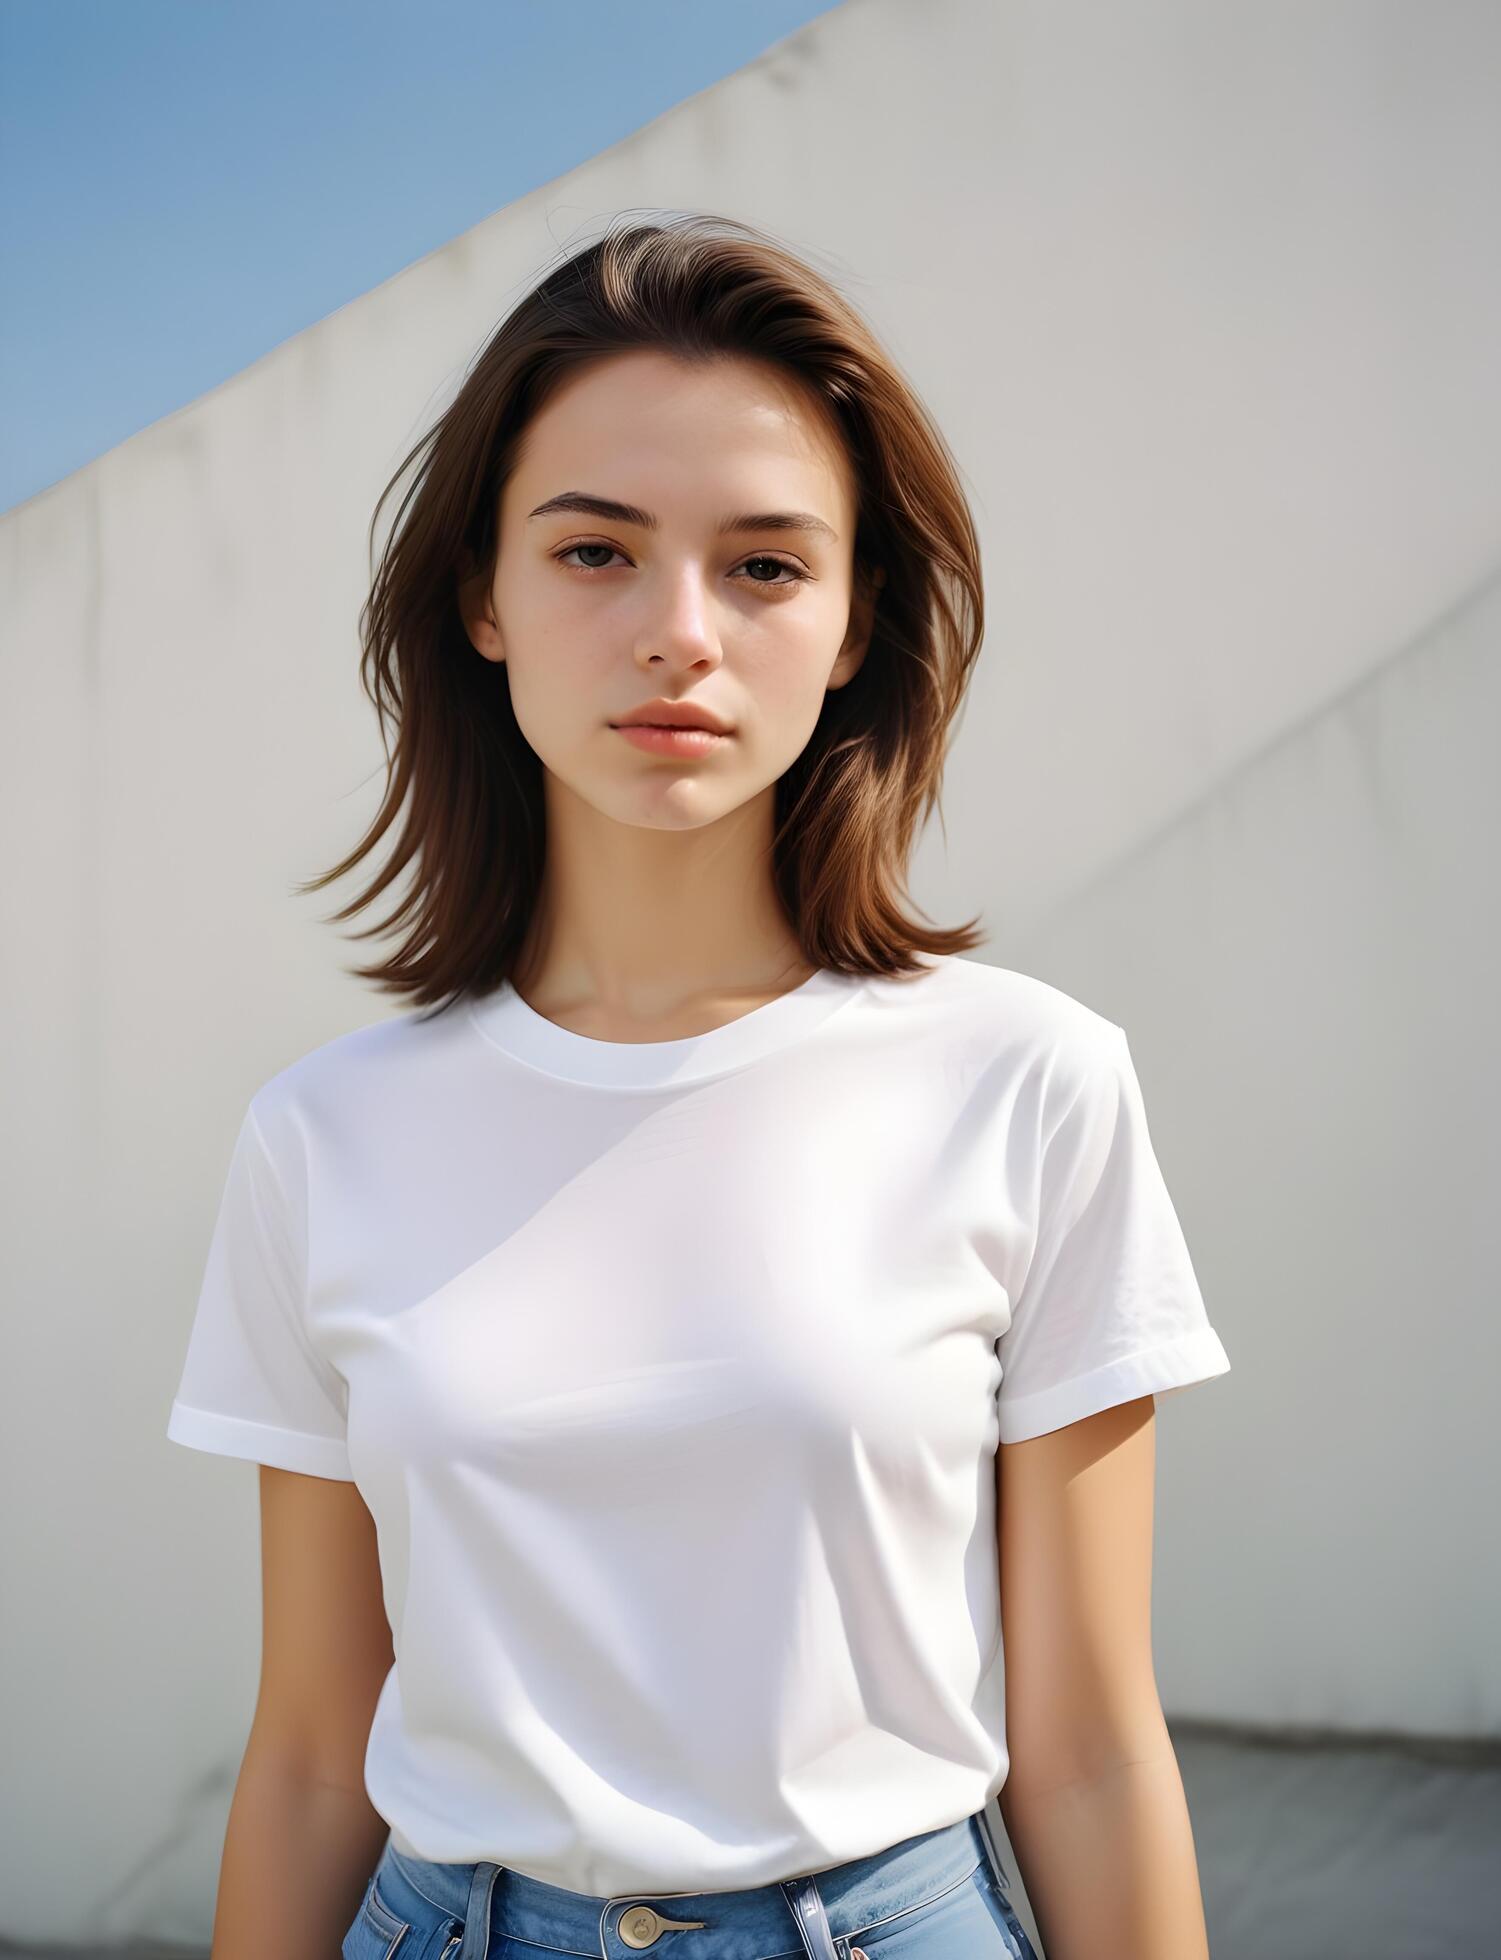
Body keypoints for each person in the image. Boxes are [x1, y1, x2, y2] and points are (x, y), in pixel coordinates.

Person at [166, 212, 1231, 1960]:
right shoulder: (322, 1133)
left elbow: (1098, 1751)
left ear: (852, 617)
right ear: (482, 599)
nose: (681, 631)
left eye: (763, 564)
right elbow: (304, 1758)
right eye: (595, 552)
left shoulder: (1028, 1081)